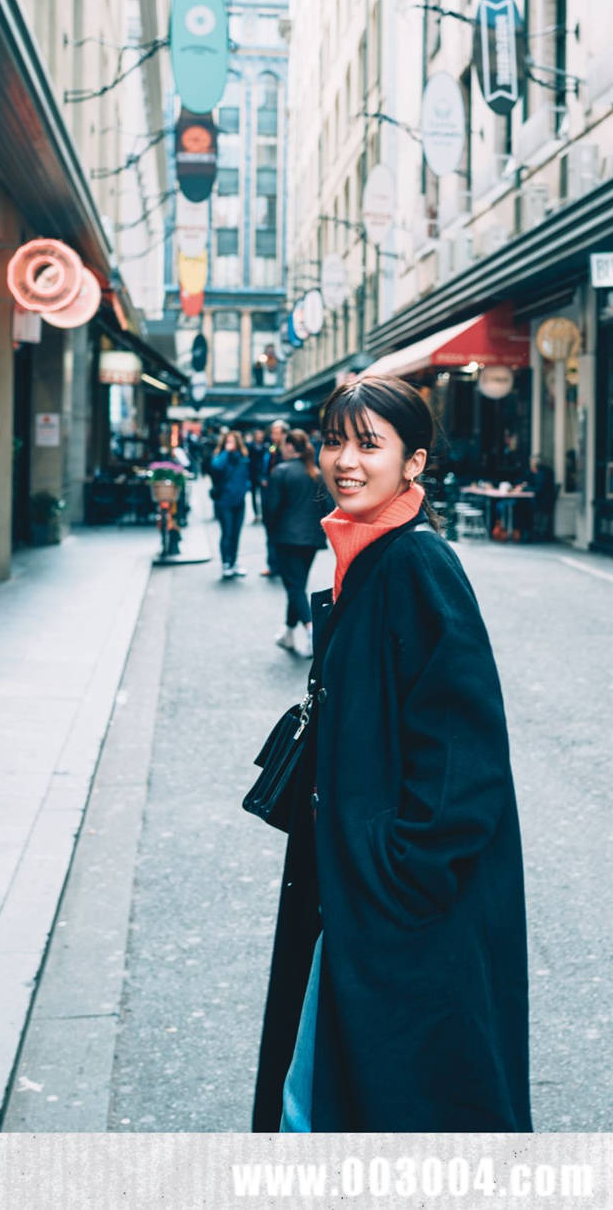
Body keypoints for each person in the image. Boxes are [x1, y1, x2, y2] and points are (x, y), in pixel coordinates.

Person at [252, 374, 531, 1133]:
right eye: (334, 441)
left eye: (369, 444)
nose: (345, 460)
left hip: (396, 907)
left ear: (414, 462)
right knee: (329, 1092)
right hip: (355, 889)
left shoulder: (416, 564)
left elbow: (466, 751)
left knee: (356, 1102)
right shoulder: (367, 555)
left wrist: (396, 875)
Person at [261, 429, 328, 659]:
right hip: (311, 538)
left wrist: (271, 531)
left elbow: (271, 508)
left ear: (290, 446)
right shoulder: (316, 473)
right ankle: (288, 632)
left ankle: (311, 631)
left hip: (286, 537)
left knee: (294, 587)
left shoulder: (281, 471)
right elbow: (327, 506)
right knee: (297, 585)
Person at [210, 430, 250, 579]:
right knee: (227, 532)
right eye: (228, 441)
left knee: (236, 533)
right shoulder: (221, 456)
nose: (230, 444)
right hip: (224, 501)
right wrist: (226, 452)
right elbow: (216, 467)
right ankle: (226, 563)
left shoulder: (242, 457)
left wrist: (246, 487)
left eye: (233, 442)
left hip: (239, 501)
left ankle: (233, 562)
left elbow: (246, 475)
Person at [259, 419, 287, 578]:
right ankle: (273, 564)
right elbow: (264, 467)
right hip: (270, 494)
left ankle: (282, 564)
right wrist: (263, 478)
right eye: (273, 433)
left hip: (284, 497)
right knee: (271, 530)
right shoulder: (271, 449)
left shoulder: (288, 450)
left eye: (277, 433)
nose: (274, 436)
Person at [246, 427, 268, 524]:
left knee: (263, 496)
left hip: (262, 474)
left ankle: (263, 514)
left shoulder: (265, 446)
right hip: (253, 474)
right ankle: (256, 514)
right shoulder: (250, 446)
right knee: (254, 496)